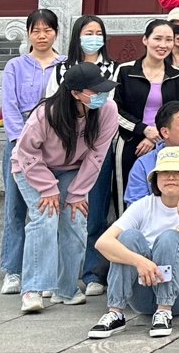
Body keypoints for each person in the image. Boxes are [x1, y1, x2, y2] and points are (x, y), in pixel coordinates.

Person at [11, 62, 119, 314]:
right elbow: (26, 152)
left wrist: (77, 193)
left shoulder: (108, 110)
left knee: (75, 218)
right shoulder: (45, 114)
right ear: (75, 93)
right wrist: (48, 188)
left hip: (72, 168)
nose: (102, 95)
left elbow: (96, 156)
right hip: (32, 167)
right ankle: (33, 289)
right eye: (95, 91)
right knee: (45, 216)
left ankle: (66, 288)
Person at [89, 145, 179, 339]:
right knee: (128, 237)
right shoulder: (143, 205)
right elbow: (103, 243)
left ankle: (164, 311)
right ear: (155, 177)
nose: (170, 177)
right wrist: (139, 261)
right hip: (143, 293)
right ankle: (115, 312)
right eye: (164, 172)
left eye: (178, 172)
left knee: (169, 237)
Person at [49, 15, 120, 298]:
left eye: (98, 32)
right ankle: (59, 276)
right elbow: (51, 104)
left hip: (97, 146)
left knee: (95, 212)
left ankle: (92, 273)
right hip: (64, 152)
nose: (94, 37)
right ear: (77, 35)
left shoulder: (114, 68)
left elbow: (112, 107)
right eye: (88, 32)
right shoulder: (61, 69)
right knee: (60, 215)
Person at [0, 9, 64, 296]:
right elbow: (9, 105)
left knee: (50, 207)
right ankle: (13, 271)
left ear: (56, 33)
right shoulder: (15, 65)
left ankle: (48, 274)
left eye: (47, 30)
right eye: (35, 31)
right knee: (15, 207)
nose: (41, 36)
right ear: (28, 34)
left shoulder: (64, 65)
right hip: (20, 138)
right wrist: (18, 141)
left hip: (54, 140)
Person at [112, 19, 179, 194]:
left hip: (167, 142)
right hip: (131, 141)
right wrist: (144, 130)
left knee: (165, 193)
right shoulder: (125, 71)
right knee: (128, 192)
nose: (163, 45)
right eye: (157, 39)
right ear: (145, 40)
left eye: (169, 40)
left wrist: (156, 135)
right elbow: (114, 109)